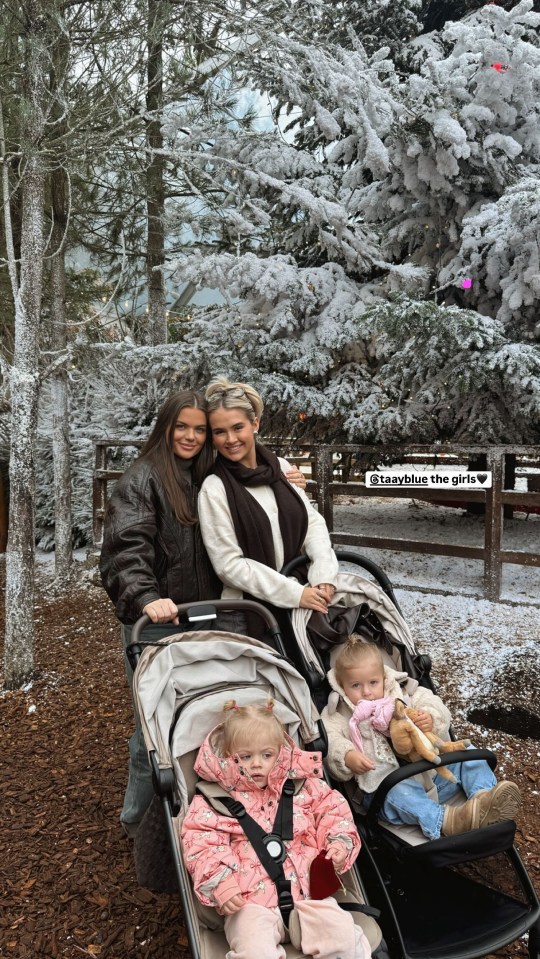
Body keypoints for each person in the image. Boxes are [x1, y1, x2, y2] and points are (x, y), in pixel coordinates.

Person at [100, 389, 306, 837]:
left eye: (199, 429)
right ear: (166, 427)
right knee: (151, 732)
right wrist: (144, 596)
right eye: (183, 427)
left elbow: (248, 463)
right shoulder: (144, 478)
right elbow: (125, 548)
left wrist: (283, 473)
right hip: (158, 619)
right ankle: (137, 822)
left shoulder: (208, 473)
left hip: (209, 614)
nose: (191, 436)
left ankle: (201, 815)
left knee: (206, 718)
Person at [181, 700, 371, 959]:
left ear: (280, 753)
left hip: (309, 894)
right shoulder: (212, 801)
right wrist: (221, 884)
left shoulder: (304, 787)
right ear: (227, 755)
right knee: (254, 950)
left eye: (266, 755)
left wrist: (337, 844)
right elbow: (202, 845)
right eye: (245, 757)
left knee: (345, 939)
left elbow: (334, 813)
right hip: (249, 904)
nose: (257, 764)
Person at [322, 636, 521, 839]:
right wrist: (346, 756)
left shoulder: (404, 692)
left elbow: (432, 703)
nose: (367, 692)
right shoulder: (338, 713)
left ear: (383, 677)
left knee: (469, 755)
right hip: (390, 793)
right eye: (355, 685)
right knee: (397, 790)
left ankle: (484, 800)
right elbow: (330, 740)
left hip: (435, 774)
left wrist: (430, 717)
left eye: (373, 682)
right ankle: (448, 820)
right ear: (341, 684)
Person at [198, 377, 339, 628]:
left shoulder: (281, 469)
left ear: (255, 424)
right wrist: (294, 594)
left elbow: (311, 524)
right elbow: (229, 565)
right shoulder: (215, 488)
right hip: (246, 613)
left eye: (237, 427)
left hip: (302, 599)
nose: (230, 439)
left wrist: (323, 573)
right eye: (220, 432)